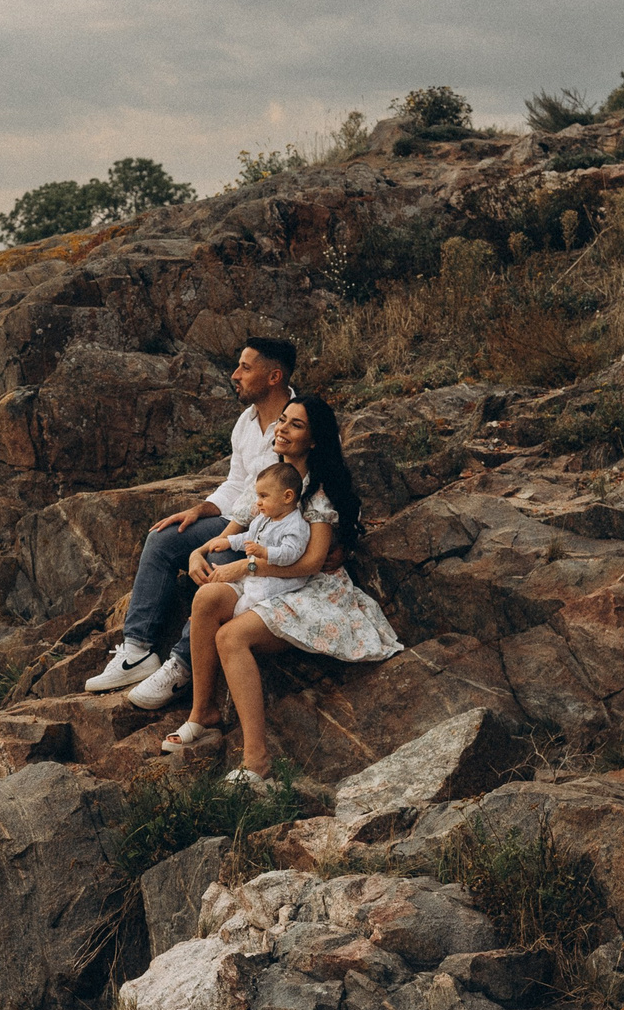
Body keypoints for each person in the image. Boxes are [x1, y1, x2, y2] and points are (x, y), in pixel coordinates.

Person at [162, 394, 402, 784]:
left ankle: (256, 759)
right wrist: (197, 553)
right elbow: (229, 533)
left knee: (230, 637)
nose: (283, 428)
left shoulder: (316, 493)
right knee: (206, 597)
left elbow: (310, 563)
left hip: (306, 588)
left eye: (296, 424)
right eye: (283, 420)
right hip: (264, 579)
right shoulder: (271, 478)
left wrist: (248, 565)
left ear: (315, 440)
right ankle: (202, 713)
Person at [82, 336, 296, 708]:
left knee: (221, 560)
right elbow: (236, 484)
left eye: (245, 368)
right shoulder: (246, 421)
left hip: (271, 530)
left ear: (274, 376)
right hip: (236, 522)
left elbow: (281, 495)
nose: (235, 375)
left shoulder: (297, 420)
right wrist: (201, 510)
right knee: (164, 537)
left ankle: (180, 665)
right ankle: (136, 651)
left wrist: (211, 543)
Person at [201, 464, 309, 615]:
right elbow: (249, 537)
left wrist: (265, 552)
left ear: (287, 497)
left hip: (278, 579)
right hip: (257, 572)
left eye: (264, 496)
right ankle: (207, 610)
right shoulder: (265, 518)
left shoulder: (295, 526)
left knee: (251, 598)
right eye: (258, 496)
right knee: (229, 581)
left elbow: (291, 553)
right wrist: (229, 542)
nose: (258, 502)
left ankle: (233, 616)